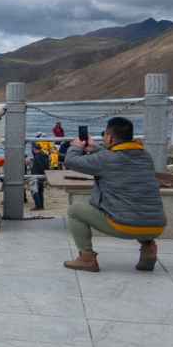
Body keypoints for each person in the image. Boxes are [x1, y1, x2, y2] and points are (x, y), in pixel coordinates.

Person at [62, 116, 166, 272]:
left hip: (126, 226)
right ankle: (148, 250)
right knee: (138, 206)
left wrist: (76, 147)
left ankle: (86, 259)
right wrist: (97, 149)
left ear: (109, 137)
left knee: (75, 210)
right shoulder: (145, 156)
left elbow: (71, 161)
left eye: (105, 135)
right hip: (156, 226)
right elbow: (118, 157)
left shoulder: (105, 159)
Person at [30, 142, 49, 210]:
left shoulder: (37, 157)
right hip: (42, 175)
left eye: (33, 149)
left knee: (34, 190)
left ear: (35, 149)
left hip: (36, 174)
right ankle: (41, 205)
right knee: (40, 191)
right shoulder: (44, 155)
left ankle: (38, 205)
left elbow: (40, 166)